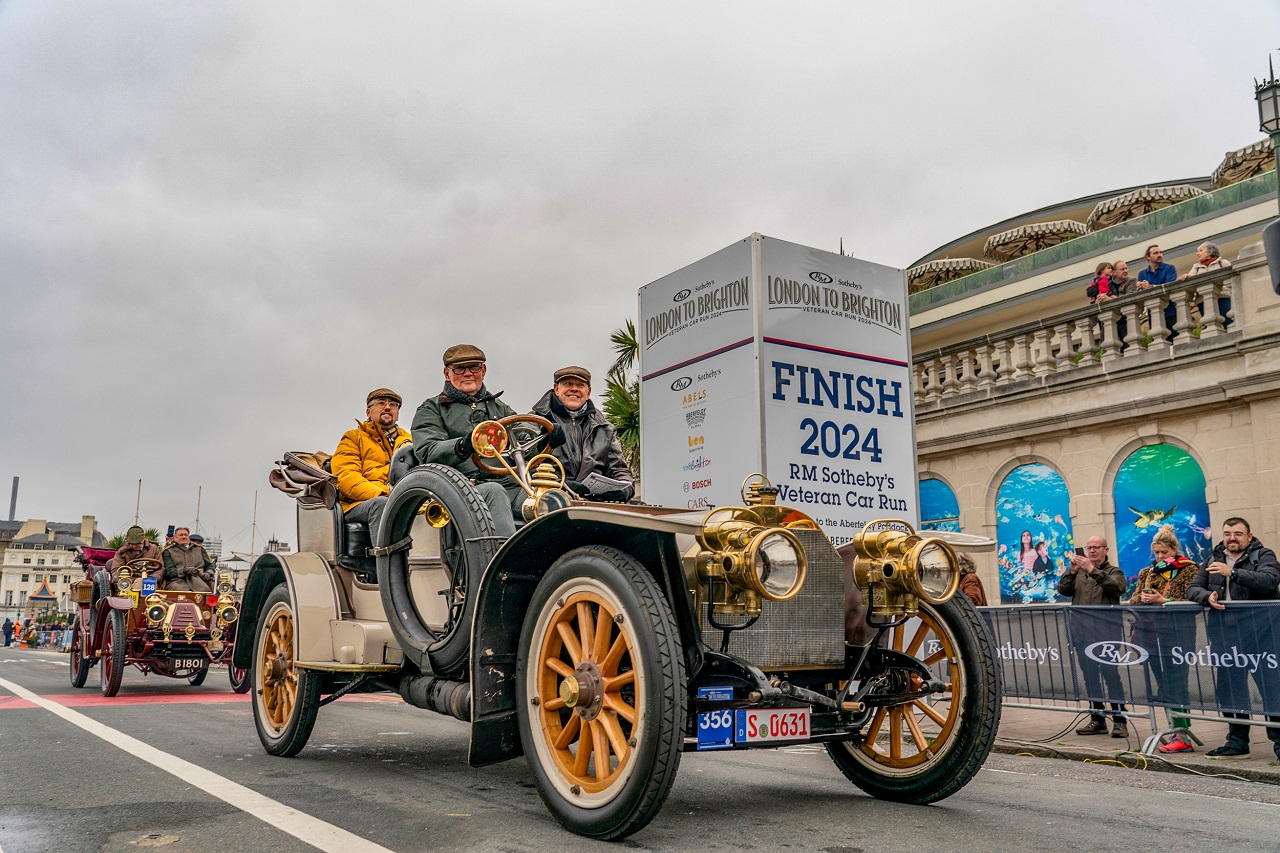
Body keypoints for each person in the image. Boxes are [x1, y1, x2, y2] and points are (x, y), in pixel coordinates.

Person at [1187, 517, 1280, 758]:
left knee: (1271, 689)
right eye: (1228, 533)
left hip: (1262, 635)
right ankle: (1237, 742)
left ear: (1249, 536)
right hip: (1226, 636)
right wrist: (1207, 597)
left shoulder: (1263, 555)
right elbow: (1192, 588)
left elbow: (1270, 581)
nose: (1232, 538)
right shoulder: (1213, 558)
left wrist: (1234, 573)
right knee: (1230, 690)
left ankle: (1279, 743)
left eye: (1238, 534)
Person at [411, 344, 521, 537]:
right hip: (462, 489)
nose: (468, 373)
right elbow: (428, 451)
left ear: (483, 371)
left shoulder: (499, 408)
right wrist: (462, 445)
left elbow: (522, 435)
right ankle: (504, 555)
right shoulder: (432, 409)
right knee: (494, 492)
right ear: (447, 374)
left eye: (474, 367)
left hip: (511, 485)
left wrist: (547, 437)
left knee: (549, 495)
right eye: (459, 369)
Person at [1127, 524, 1198, 753]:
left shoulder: (1189, 569)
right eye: (1156, 552)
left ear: (1174, 550)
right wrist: (1144, 599)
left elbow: (1193, 602)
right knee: (1164, 685)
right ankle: (1175, 729)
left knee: (1178, 682)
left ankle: (1183, 734)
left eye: (1163, 552)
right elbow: (1133, 600)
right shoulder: (1148, 572)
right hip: (1152, 634)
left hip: (1179, 633)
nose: (1159, 557)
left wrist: (1164, 601)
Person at [1058, 536, 1129, 738]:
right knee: (1090, 678)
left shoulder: (1114, 572)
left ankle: (1120, 720)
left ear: (1106, 550)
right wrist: (1071, 572)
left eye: (1096, 547)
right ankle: (1097, 719)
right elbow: (1063, 590)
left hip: (1106, 635)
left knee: (1111, 676)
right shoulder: (1080, 574)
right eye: (1089, 548)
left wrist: (1092, 569)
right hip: (1082, 633)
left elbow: (1118, 588)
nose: (1091, 551)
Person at [530, 366, 635, 502]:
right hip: (548, 497)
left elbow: (619, 470)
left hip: (594, 500)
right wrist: (562, 485)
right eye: (568, 384)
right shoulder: (534, 421)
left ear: (588, 392)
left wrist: (626, 488)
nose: (574, 389)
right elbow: (523, 465)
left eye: (580, 385)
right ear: (556, 389)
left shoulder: (605, 428)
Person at [332, 388, 412, 542]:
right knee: (381, 505)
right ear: (368, 412)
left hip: (402, 499)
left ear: (397, 413)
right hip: (360, 504)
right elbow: (346, 478)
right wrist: (384, 494)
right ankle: (386, 558)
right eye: (381, 403)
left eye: (393, 405)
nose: (387, 407)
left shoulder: (409, 441)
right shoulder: (353, 438)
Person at [161, 526, 214, 592]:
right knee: (179, 590)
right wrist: (184, 570)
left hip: (199, 581)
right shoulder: (168, 551)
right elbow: (169, 571)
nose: (183, 537)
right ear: (175, 537)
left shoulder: (199, 549)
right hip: (177, 582)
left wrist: (208, 573)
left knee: (205, 590)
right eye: (181, 535)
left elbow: (209, 566)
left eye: (186, 535)